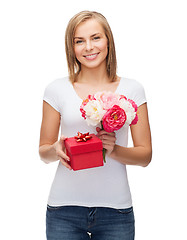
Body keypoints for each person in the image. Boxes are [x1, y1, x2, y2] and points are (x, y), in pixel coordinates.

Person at [39, 10, 152, 240]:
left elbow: (145, 156)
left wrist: (113, 149)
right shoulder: (56, 90)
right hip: (64, 210)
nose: (88, 47)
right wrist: (55, 149)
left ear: (108, 40)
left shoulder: (133, 90)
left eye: (96, 38)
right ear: (71, 48)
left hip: (116, 211)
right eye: (79, 41)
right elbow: (43, 152)